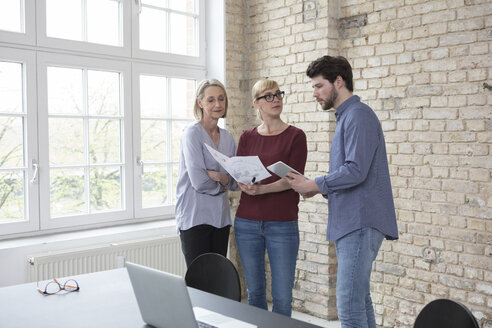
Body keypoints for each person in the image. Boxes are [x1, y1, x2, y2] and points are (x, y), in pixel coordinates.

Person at [285, 55, 399, 328]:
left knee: (348, 307)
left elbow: (355, 170)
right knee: (359, 300)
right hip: (353, 221)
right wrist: (315, 186)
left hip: (359, 222)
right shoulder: (348, 117)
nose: (315, 93)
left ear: (339, 81)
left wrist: (314, 184)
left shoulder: (358, 116)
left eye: (318, 86)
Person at [234, 78, 307, 317]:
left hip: (282, 224)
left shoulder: (296, 136)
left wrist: (262, 190)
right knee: (254, 293)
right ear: (257, 104)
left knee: (282, 297)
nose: (275, 99)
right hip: (247, 222)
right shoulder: (246, 137)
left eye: (278, 94)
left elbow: (293, 179)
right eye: (268, 96)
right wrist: (242, 183)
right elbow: (240, 171)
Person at [175, 79, 236, 267]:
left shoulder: (227, 137)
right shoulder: (192, 134)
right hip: (195, 217)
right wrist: (222, 184)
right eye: (211, 100)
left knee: (216, 280)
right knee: (199, 281)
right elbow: (199, 181)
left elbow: (235, 181)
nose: (217, 104)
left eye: (221, 99)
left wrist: (221, 177)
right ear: (200, 102)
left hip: (220, 218)